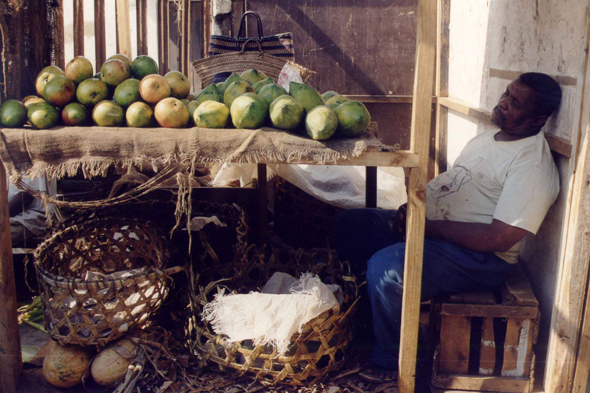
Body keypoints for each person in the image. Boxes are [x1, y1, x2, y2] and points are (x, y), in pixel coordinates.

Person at [334, 72, 562, 383]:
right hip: (434, 230)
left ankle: (393, 361)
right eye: (506, 95)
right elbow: (451, 186)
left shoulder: (532, 166)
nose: (504, 104)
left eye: (516, 103)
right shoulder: (488, 137)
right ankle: (368, 322)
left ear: (539, 119)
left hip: (480, 259)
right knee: (352, 224)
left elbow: (500, 237)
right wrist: (411, 211)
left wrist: (428, 228)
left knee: (387, 270)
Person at [8, 175, 57, 247]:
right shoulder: (10, 168)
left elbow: (24, 198)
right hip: (11, 217)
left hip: (28, 219)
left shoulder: (29, 168)